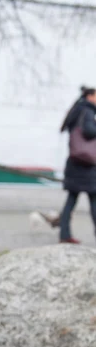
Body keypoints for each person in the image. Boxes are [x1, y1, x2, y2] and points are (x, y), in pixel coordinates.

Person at [59, 86, 96, 243]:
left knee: (71, 201)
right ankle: (65, 234)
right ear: (90, 96)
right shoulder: (87, 111)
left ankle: (64, 234)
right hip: (86, 166)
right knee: (94, 200)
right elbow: (89, 131)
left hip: (75, 163)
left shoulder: (77, 109)